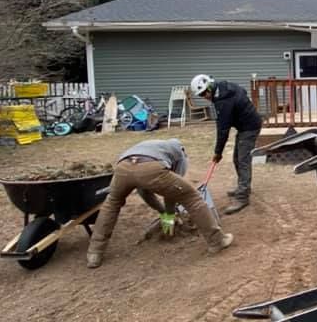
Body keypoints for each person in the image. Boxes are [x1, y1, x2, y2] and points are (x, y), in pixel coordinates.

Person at [86, 138, 234, 268]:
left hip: (123, 167)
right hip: (149, 167)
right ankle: (217, 241)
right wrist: (169, 214)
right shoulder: (180, 154)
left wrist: (163, 212)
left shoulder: (154, 146)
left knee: (111, 204)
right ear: (183, 150)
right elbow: (172, 193)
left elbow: (144, 191)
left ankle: (94, 253)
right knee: (192, 197)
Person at [190, 74, 263, 214]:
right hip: (244, 126)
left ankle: (242, 197)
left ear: (210, 87)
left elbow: (223, 130)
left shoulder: (222, 102)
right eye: (201, 95)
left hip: (250, 127)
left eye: (205, 92)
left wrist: (218, 152)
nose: (204, 96)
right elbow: (243, 91)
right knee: (237, 159)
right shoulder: (224, 86)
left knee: (243, 160)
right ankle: (243, 187)